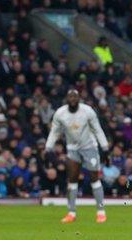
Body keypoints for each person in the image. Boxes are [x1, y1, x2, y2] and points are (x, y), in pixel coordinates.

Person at [46, 89, 109, 223]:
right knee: (72, 179)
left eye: (75, 97)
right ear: (67, 99)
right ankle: (71, 213)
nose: (73, 99)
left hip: (89, 147)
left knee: (94, 178)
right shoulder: (60, 113)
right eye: (70, 97)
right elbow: (54, 131)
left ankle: (101, 211)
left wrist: (104, 146)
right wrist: (48, 147)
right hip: (72, 149)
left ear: (79, 98)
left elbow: (97, 129)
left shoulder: (88, 111)